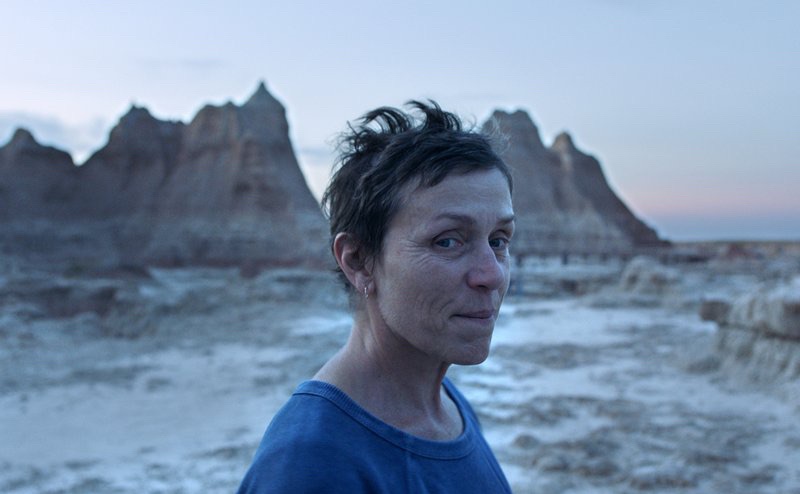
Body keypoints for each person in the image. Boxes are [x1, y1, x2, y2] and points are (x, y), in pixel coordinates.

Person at [237, 101, 515, 493]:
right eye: (447, 241)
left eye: (498, 240)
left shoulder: (447, 406)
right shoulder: (310, 465)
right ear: (358, 261)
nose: (492, 274)